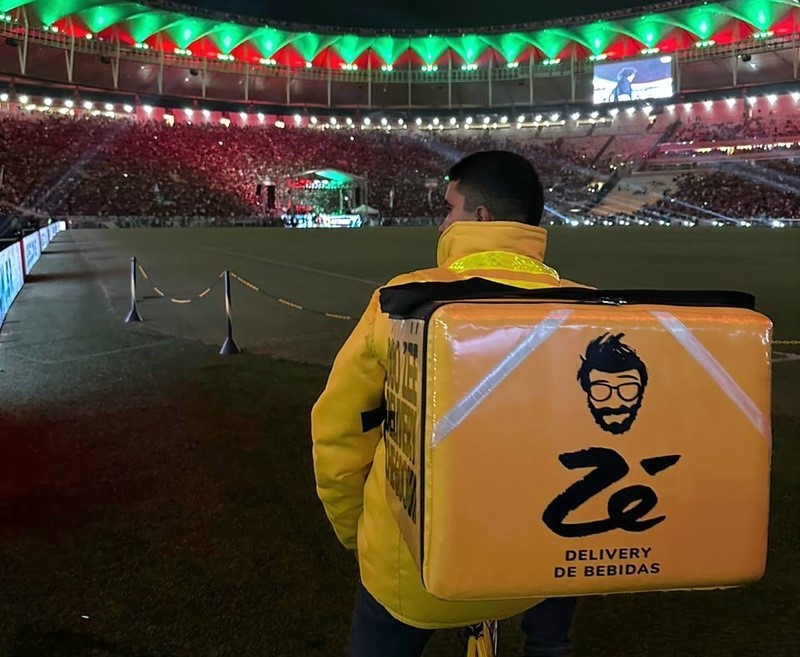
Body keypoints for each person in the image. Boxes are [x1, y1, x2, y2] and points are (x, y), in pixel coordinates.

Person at [311, 151, 584, 657]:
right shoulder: (584, 305)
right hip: (535, 560)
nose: (442, 223)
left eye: (449, 208)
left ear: (479, 216)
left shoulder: (401, 300)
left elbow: (340, 431)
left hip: (409, 565)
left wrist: (357, 530)